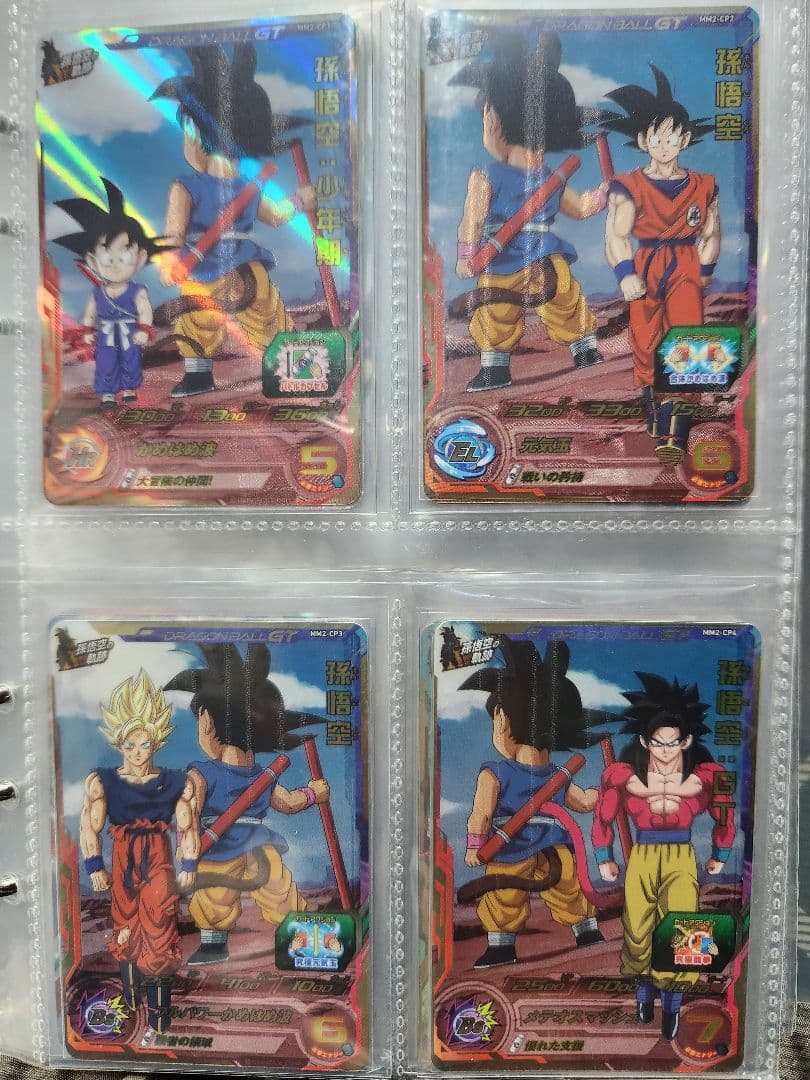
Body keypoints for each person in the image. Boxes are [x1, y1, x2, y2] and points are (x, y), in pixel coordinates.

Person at [151, 44, 316, 398]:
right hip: (233, 264)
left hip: (212, 268)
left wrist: (169, 259)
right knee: (253, 314)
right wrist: (299, 202)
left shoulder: (197, 186)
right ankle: (288, 368)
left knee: (209, 318)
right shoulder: (222, 186)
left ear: (195, 136)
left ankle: (284, 369)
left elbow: (174, 235)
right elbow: (275, 216)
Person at [450, 31, 610, 392]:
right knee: (502, 306)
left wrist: (601, 197)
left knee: (558, 297)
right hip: (509, 255)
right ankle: (498, 366)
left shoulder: (544, 177)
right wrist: (467, 254)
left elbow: (577, 207)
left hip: (534, 254)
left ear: (493, 121)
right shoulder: (493, 175)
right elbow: (473, 219)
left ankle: (581, 348)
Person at [164, 643, 328, 965]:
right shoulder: (203, 775)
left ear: (208, 723)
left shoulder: (261, 775)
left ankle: (305, 941)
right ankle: (214, 944)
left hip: (249, 843)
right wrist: (187, 849)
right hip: (220, 843)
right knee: (220, 893)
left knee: (274, 888)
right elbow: (188, 815)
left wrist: (312, 794)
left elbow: (286, 801)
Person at [592, 672, 735, 1040]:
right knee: (638, 927)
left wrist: (720, 851)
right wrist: (604, 855)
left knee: (682, 928)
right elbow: (604, 814)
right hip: (642, 854)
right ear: (645, 741)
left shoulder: (707, 774)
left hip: (681, 855)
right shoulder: (624, 775)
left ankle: (672, 1005)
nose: (667, 750)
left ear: (686, 740)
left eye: (674, 742)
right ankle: (644, 996)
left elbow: (724, 811)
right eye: (658, 742)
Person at [460, 636, 604, 968]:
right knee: (554, 887)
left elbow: (481, 815)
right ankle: (582, 931)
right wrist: (600, 794)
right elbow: (582, 802)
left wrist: (475, 847)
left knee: (524, 890)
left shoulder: (502, 773)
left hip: (518, 847)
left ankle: (509, 944)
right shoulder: (534, 774)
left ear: (501, 720)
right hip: (528, 844)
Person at [603, 67, 721, 464]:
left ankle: (676, 428)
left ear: (685, 139)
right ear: (643, 140)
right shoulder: (629, 185)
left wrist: (704, 272)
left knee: (687, 340)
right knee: (645, 340)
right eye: (657, 136)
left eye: (673, 136)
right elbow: (616, 235)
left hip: (685, 263)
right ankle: (652, 404)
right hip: (646, 263)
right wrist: (625, 274)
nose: (665, 144)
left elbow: (712, 233)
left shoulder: (704, 185)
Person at [79, 671, 199, 1035]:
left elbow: (188, 825)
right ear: (119, 743)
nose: (136, 752)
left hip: (159, 860)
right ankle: (132, 1003)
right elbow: (89, 825)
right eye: (129, 745)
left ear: (155, 743)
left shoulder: (175, 782)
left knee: (160, 927)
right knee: (125, 926)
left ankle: (161, 1016)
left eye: (143, 744)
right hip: (122, 861)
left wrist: (189, 864)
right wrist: (94, 865)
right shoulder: (102, 781)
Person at [53, 178, 169, 411]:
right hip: (105, 333)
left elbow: (145, 311)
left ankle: (128, 390)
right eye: (107, 257)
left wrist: (144, 329)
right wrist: (87, 331)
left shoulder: (137, 291)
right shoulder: (98, 293)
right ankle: (107, 393)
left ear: (141, 258)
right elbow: (90, 314)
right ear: (92, 260)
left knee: (130, 360)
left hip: (129, 332)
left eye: (124, 256)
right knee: (105, 363)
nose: (115, 264)